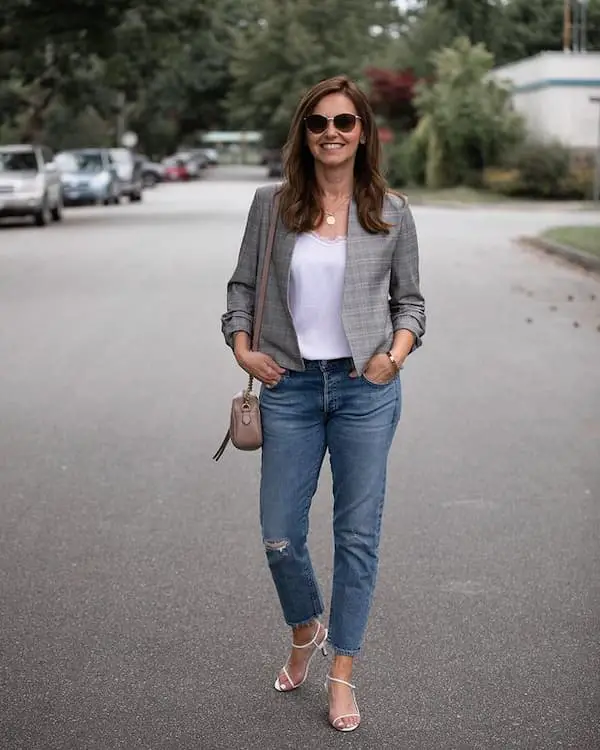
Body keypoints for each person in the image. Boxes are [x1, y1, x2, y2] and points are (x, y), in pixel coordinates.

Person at [221, 75, 425, 732]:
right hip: (290, 388)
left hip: (367, 390)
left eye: (343, 122)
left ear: (362, 131)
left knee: (356, 538)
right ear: (302, 133)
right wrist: (244, 350)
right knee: (279, 533)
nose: (331, 133)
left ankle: (342, 672)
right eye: (318, 123)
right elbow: (240, 289)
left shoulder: (391, 210)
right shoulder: (272, 204)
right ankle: (306, 626)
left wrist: (393, 356)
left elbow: (411, 305)